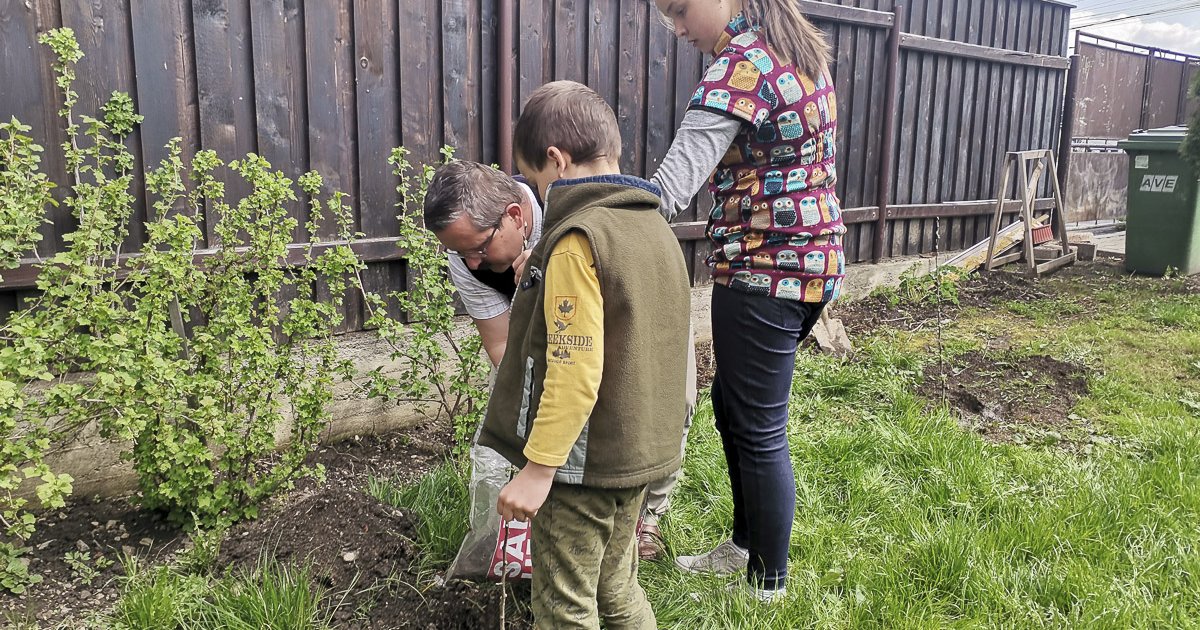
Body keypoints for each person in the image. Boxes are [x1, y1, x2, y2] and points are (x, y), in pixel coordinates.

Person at [648, 0, 847, 602]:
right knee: (732, 405)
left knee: (758, 426)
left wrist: (588, 204)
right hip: (811, 262)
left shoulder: (740, 65)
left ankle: (769, 586)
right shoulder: (797, 50)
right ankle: (745, 548)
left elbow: (668, 191)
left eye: (680, 12)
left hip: (765, 271)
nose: (678, 30)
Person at [477, 80, 691, 629]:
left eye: (536, 179)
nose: (538, 193)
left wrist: (537, 471)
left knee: (565, 605)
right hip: (638, 456)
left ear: (556, 159)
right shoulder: (651, 225)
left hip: (582, 468)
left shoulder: (577, 238)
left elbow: (574, 369)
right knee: (615, 587)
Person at [424, 168, 696, 561]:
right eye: (459, 252)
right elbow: (502, 345)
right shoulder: (465, 258)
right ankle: (521, 533)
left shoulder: (568, 208)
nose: (471, 261)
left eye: (479, 249)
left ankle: (646, 514)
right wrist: (539, 431)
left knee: (665, 406)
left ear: (516, 217)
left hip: (633, 309)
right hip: (547, 336)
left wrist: (551, 257)